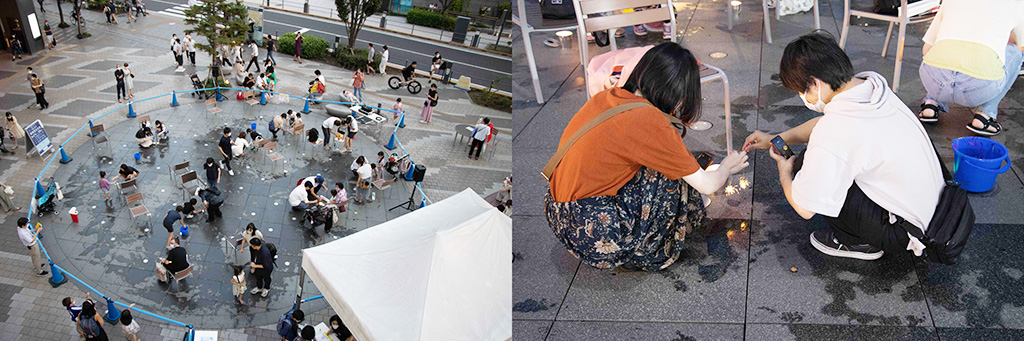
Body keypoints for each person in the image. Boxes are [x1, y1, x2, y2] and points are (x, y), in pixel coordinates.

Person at [546, 42, 749, 271]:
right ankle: (650, 249)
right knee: (670, 175)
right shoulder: (650, 122)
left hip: (558, 214)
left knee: (668, 161)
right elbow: (707, 185)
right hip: (595, 234)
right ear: (677, 92)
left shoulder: (609, 95)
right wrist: (727, 167)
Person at [743, 32, 943, 260]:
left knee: (807, 164)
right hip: (935, 208)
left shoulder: (836, 130)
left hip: (906, 233)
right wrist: (774, 138)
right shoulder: (872, 88)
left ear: (816, 83)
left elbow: (804, 208)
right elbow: (823, 124)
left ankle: (858, 242)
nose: (803, 97)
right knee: (821, 154)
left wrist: (785, 173)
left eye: (802, 90)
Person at [915, 1, 1024, 136]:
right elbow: (1019, 43)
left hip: (933, 82)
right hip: (979, 88)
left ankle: (930, 104)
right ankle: (984, 116)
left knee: (940, 48)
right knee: (1016, 53)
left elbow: (927, 49)